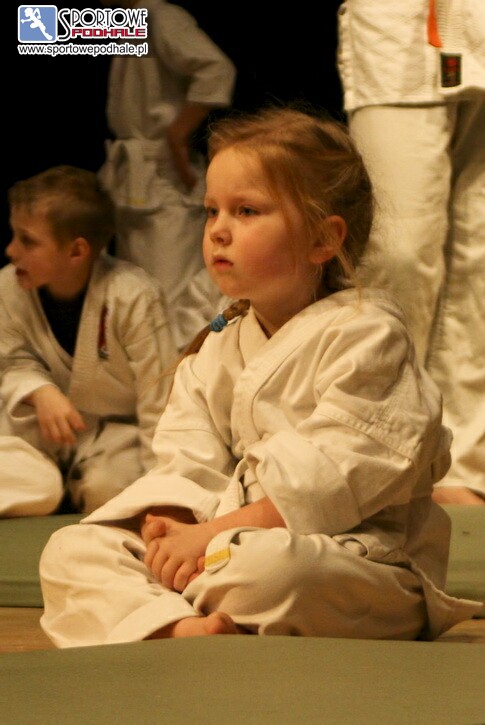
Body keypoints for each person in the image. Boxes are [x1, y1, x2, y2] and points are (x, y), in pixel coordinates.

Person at [39, 108, 480, 647]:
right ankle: (183, 626)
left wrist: (210, 535)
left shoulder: (369, 335)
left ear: (323, 239)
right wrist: (168, 528)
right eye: (211, 211)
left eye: (246, 211)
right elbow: (187, 458)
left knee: (273, 571)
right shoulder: (219, 343)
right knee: (71, 551)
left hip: (357, 563)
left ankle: (174, 606)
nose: (219, 230)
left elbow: (331, 483)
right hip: (220, 546)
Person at [337, 0, 485, 505]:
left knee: (478, 262)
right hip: (398, 30)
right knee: (397, 253)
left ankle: (462, 462)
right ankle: (381, 450)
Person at [0, 165, 176, 516]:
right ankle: (56, 489)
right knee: (39, 486)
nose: (11, 250)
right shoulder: (8, 285)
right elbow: (11, 360)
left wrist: (162, 493)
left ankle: (81, 491)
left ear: (76, 251)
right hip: (31, 431)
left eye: (27, 240)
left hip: (110, 438)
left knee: (107, 490)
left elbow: (158, 401)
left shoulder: (134, 297)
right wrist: (39, 390)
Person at [98, 0, 236, 351]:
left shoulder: (161, 17)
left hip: (163, 178)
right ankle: (151, 374)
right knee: (137, 292)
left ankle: (179, 376)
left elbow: (215, 68)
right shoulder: (133, 21)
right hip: (135, 176)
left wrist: (177, 135)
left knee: (170, 297)